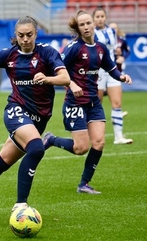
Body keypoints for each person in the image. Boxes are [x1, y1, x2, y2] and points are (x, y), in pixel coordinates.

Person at [0, 16, 71, 215]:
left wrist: (47, 79)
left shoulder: (47, 53)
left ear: (36, 34)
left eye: (29, 35)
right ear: (16, 36)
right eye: (21, 35)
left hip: (40, 117)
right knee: (37, 148)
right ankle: (21, 205)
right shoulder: (8, 55)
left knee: (3, 161)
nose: (25, 39)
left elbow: (65, 78)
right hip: (16, 110)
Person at [42, 10, 132, 194]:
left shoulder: (100, 48)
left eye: (88, 23)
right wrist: (72, 84)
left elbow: (111, 68)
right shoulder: (74, 47)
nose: (86, 27)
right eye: (82, 24)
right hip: (74, 103)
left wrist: (121, 76)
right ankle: (51, 139)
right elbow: (58, 71)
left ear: (93, 24)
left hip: (93, 102)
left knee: (98, 142)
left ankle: (84, 184)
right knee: (80, 148)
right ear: (78, 27)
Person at [93, 7, 132, 144]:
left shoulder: (112, 31)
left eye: (102, 16)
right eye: (97, 16)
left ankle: (118, 136)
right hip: (98, 72)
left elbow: (117, 49)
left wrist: (120, 57)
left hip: (112, 70)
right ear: (94, 19)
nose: (100, 19)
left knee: (117, 103)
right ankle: (95, 136)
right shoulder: (92, 33)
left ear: (105, 17)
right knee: (96, 105)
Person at [109, 22, 130, 117]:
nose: (113, 30)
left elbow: (128, 51)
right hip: (104, 71)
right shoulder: (105, 41)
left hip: (117, 70)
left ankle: (117, 112)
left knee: (116, 98)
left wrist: (123, 58)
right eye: (111, 28)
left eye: (115, 28)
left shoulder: (122, 40)